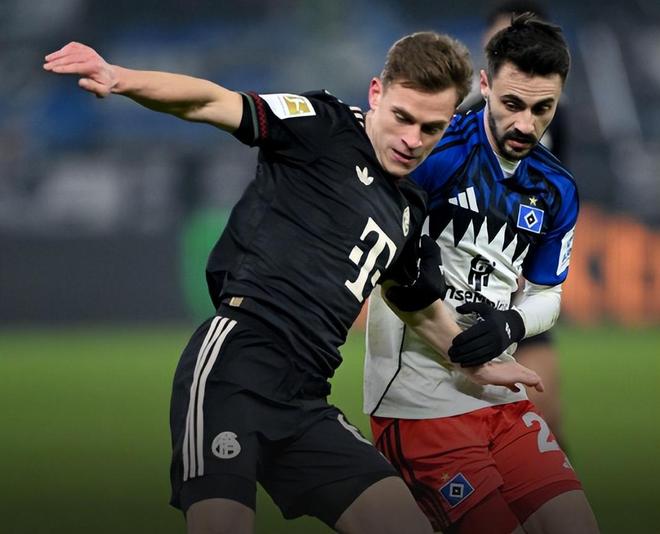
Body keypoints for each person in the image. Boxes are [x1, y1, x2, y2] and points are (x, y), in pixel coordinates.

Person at [43, 33, 542, 533]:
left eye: (431, 128)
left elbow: (416, 304)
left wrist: (475, 361)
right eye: (402, 117)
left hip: (306, 399)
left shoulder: (410, 207)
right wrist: (119, 78)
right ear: (376, 93)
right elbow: (211, 101)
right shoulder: (322, 125)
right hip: (235, 368)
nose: (412, 139)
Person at [365, 14, 599, 534]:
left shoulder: (556, 187)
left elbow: (549, 294)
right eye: (512, 104)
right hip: (420, 404)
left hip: (500, 395)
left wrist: (512, 324)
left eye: (542, 109)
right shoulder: (432, 152)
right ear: (485, 84)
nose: (525, 125)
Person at [462, 0, 570, 446]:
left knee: (546, 412)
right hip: (459, 287)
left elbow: (555, 195)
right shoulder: (456, 116)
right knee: (455, 420)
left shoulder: (556, 121)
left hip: (517, 286)